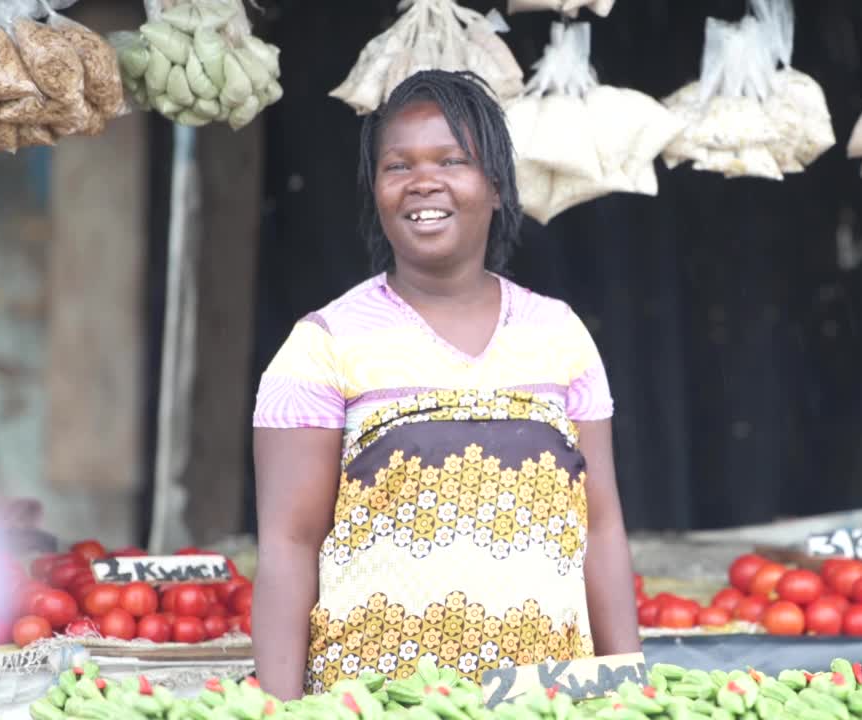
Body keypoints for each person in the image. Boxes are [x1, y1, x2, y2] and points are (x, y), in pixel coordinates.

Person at [250, 70, 640, 700]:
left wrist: (627, 691)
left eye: (452, 160)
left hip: (546, 701)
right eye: (397, 166)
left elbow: (601, 527)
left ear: (495, 185)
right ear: (375, 190)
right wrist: (282, 709)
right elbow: (289, 544)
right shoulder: (323, 345)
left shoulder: (559, 334)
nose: (422, 182)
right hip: (374, 703)